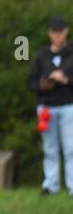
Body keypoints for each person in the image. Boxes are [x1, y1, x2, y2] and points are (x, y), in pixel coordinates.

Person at [29, 14, 73, 197]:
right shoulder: (41, 55)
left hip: (68, 106)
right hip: (47, 107)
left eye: (61, 32)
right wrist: (42, 85)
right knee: (50, 149)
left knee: (71, 148)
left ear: (66, 31)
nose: (58, 36)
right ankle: (51, 186)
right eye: (54, 32)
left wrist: (66, 79)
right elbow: (30, 82)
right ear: (49, 34)